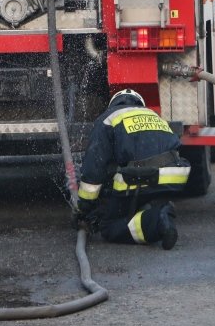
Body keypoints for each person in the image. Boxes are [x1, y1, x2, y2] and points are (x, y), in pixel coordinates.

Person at [74, 89, 188, 250]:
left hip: (144, 176)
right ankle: (156, 207)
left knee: (109, 226)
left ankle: (158, 221)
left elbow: (94, 167)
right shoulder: (152, 115)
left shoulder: (107, 119)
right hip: (174, 177)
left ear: (113, 104)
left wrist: (85, 207)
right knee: (139, 195)